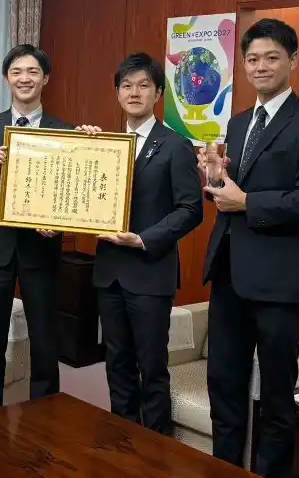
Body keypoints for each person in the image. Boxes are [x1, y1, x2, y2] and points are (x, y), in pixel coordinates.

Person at [199, 19, 299, 476]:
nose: (260, 66)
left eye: (272, 57)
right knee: (223, 385)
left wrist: (246, 201)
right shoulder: (239, 123)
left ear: (292, 61)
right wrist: (215, 180)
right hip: (229, 274)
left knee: (277, 396)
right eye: (253, 59)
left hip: (279, 282)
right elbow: (230, 193)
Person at [81, 53, 203, 435]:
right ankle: (123, 438)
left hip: (150, 273)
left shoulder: (176, 146)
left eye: (144, 85)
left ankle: (156, 446)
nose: (134, 92)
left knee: (151, 366)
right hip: (110, 273)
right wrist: (80, 147)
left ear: (158, 93)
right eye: (126, 85)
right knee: (116, 362)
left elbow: (191, 210)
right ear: (117, 93)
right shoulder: (106, 144)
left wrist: (144, 239)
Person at [0, 43, 73, 412]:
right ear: (7, 78)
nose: (24, 78)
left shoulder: (64, 130)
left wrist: (58, 225)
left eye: (33, 72)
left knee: (45, 340)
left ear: (46, 79)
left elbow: (71, 195)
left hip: (42, 251)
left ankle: (45, 416)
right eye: (17, 72)